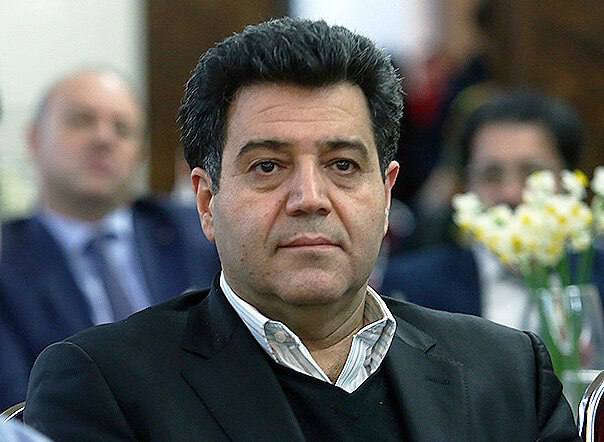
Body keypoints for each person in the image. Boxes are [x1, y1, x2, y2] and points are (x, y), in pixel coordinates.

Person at [24, 18, 578, 441]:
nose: (310, 198)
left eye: (343, 165)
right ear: (207, 202)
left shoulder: (506, 372)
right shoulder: (106, 385)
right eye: (268, 166)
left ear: (387, 195)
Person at [0, 69, 220, 408]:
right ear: (33, 140)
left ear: (141, 153)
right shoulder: (7, 262)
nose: (104, 139)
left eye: (122, 128)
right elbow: (16, 405)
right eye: (82, 121)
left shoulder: (200, 231)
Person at [381, 92, 603, 329]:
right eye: (491, 175)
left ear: (569, 180)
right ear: (466, 186)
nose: (510, 193)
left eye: (532, 173)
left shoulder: (597, 276)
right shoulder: (413, 286)